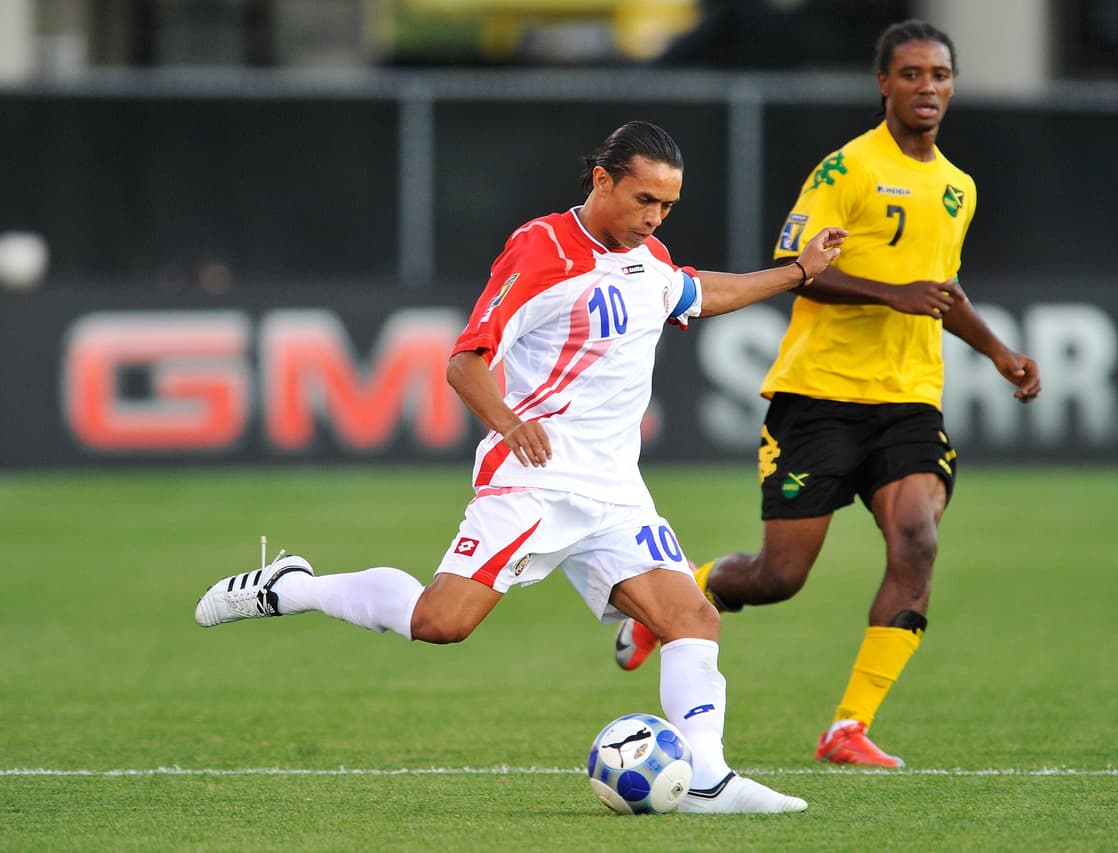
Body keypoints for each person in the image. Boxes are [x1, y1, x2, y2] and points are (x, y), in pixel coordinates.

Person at [194, 120, 845, 814]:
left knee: (693, 619)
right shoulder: (541, 250)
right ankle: (295, 586)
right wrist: (510, 422)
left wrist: (799, 271)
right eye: (644, 199)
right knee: (440, 621)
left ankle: (708, 779)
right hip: (533, 480)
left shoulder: (648, 257)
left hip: (615, 490)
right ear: (602, 180)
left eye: (667, 206)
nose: (654, 217)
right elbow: (464, 360)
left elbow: (695, 292)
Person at [612, 20, 1041, 768]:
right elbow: (795, 260)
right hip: (818, 398)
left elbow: (941, 290)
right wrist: (890, 292)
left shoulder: (957, 188)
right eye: (911, 74)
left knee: (917, 538)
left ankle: (848, 727)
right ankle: (690, 590)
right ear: (884, 84)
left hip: (909, 399)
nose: (927, 87)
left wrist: (1001, 352)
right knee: (779, 577)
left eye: (939, 75)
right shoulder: (847, 170)